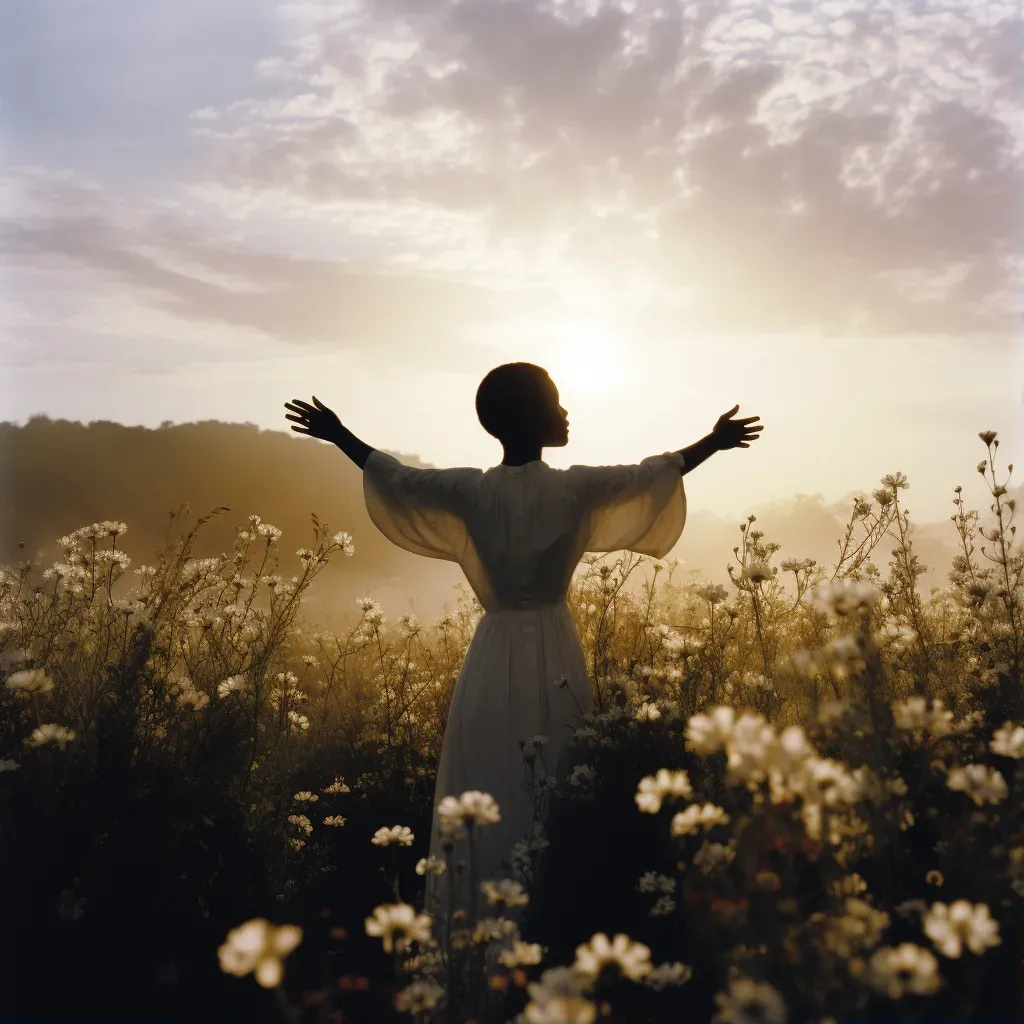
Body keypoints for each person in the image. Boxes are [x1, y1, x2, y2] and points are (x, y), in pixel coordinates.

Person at [284, 363, 762, 911]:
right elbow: (652, 474)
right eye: (555, 403)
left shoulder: (471, 490)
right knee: (556, 767)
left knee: (493, 769)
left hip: (492, 656)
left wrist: (340, 435)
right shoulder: (576, 487)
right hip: (555, 648)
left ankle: (486, 908)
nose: (564, 412)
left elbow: (398, 479)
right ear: (531, 418)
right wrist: (714, 442)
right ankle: (548, 910)